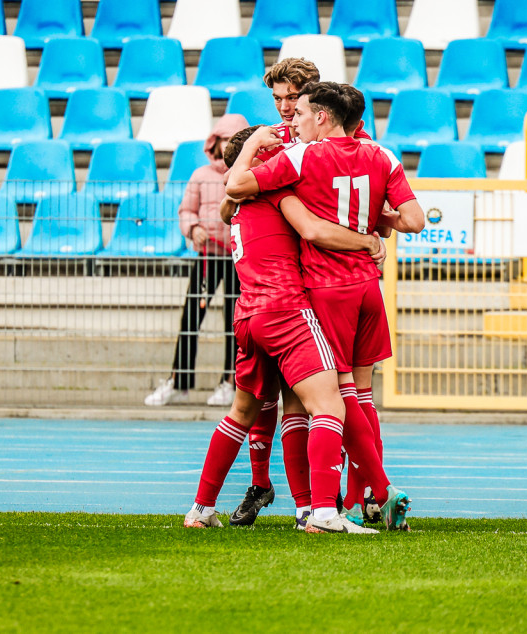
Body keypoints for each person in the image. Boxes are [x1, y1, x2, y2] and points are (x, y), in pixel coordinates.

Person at [185, 127, 407, 534]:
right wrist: (368, 240)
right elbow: (315, 229)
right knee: (331, 405)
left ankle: (201, 508)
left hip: (248, 314)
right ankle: (323, 513)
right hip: (286, 309)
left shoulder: (236, 202)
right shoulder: (275, 192)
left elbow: (227, 201)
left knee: (242, 413)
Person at [227, 82, 424, 529]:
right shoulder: (381, 154)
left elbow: (236, 187)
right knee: (363, 393)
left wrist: (255, 144)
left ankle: (371, 491)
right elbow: (412, 220)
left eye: (298, 110)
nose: (291, 118)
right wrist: (376, 225)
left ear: (322, 115)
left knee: (330, 399)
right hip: (369, 288)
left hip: (324, 288)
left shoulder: (302, 156)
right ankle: (365, 498)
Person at [145, 114, 250, 407]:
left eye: (234, 140)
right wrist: (193, 229)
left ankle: (231, 382)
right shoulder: (201, 175)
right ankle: (180, 381)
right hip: (207, 258)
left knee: (236, 323)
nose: (228, 145)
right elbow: (186, 210)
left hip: (239, 261)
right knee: (191, 317)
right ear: (214, 143)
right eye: (224, 139)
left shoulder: (249, 174)